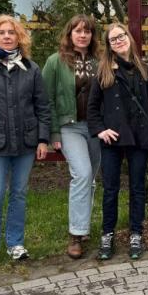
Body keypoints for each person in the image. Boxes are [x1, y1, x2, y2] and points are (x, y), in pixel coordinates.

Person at [0, 15, 51, 266]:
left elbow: (42, 106)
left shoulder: (32, 68)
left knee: (19, 193)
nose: (7, 36)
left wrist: (42, 139)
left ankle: (15, 243)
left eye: (12, 32)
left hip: (26, 142)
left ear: (20, 37)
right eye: (2, 32)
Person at [88, 22, 148, 261]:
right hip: (113, 139)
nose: (119, 41)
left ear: (129, 37)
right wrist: (100, 130)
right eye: (113, 39)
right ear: (109, 45)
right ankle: (107, 234)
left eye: (121, 36)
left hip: (139, 138)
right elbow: (92, 108)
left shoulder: (146, 71)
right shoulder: (104, 72)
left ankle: (136, 233)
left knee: (138, 188)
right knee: (111, 189)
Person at [42, 14, 101, 259]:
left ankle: (84, 226)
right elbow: (47, 100)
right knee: (83, 174)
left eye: (87, 31)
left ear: (92, 36)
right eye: (77, 31)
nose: (82, 35)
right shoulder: (56, 62)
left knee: (92, 177)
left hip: (97, 128)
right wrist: (53, 132)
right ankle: (76, 234)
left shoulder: (101, 61)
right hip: (69, 127)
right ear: (69, 34)